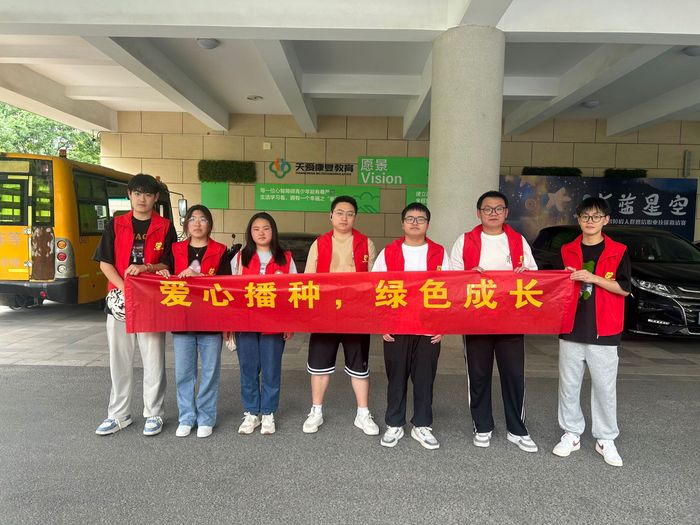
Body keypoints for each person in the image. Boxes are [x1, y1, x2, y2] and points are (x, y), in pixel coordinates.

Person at [449, 190, 539, 452]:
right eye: (487, 209)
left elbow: (534, 276)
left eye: (498, 209)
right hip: (476, 319)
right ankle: (482, 425)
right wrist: (469, 274)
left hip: (511, 319)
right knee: (478, 374)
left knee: (513, 374)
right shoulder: (465, 241)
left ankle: (517, 428)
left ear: (506, 213)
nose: (493, 213)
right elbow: (452, 279)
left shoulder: (518, 241)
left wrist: (524, 273)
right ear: (478, 213)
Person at [93, 173, 177, 436]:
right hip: (120, 301)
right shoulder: (115, 225)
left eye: (148, 194)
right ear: (129, 194)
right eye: (138, 193)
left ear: (156, 198)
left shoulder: (165, 226)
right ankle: (119, 414)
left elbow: (169, 263)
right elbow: (105, 262)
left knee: (154, 358)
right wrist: (125, 289)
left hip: (151, 301)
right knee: (119, 359)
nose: (142, 199)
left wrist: (148, 267)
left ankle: (154, 413)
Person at [554, 197, 630, 467]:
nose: (590, 221)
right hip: (571, 326)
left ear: (606, 220)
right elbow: (554, 284)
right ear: (578, 219)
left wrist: (593, 278)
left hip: (605, 329)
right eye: (585, 216)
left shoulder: (618, 250)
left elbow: (624, 289)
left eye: (596, 216)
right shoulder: (567, 250)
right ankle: (571, 433)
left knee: (604, 388)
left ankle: (605, 438)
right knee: (569, 385)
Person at [371, 203, 450, 450]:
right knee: (396, 378)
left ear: (428, 224)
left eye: (420, 219)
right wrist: (382, 323)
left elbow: (450, 289)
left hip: (428, 329)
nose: (415, 223)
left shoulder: (439, 252)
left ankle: (422, 425)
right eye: (410, 218)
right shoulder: (389, 252)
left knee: (424, 379)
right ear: (402, 223)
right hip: (397, 328)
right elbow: (376, 288)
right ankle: (394, 423)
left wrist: (442, 325)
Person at [302, 196, 379, 435]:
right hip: (325, 314)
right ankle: (316, 411)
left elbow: (374, 281)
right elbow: (308, 279)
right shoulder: (320, 243)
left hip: (356, 314)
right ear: (331, 216)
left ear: (355, 217)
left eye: (350, 213)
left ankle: (363, 413)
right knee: (320, 365)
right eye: (340, 212)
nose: (344, 217)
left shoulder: (366, 243)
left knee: (359, 366)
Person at [157, 205, 229, 438]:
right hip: (183, 320)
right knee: (184, 373)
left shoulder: (221, 250)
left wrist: (200, 277)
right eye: (193, 219)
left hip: (210, 321)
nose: (198, 224)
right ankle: (186, 417)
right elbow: (163, 269)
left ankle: (206, 418)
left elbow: (227, 285)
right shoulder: (175, 249)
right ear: (186, 223)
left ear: (210, 224)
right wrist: (162, 272)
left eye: (203, 219)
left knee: (210, 373)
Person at [230, 212, 296, 436]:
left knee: (271, 368)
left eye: (266, 228)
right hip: (245, 322)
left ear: (273, 231)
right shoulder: (240, 257)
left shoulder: (285, 258)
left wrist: (290, 323)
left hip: (274, 323)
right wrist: (229, 323)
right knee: (248, 368)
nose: (261, 233)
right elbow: (230, 291)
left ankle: (268, 412)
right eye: (256, 229)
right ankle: (251, 412)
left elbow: (293, 292)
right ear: (250, 232)